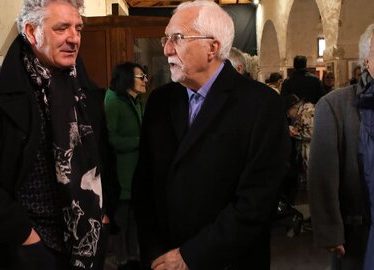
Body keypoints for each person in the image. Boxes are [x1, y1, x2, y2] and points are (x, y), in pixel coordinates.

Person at [0, 1, 119, 269]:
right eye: (61, 28)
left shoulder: (87, 94)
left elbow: (104, 159)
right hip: (19, 250)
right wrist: (25, 237)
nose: (73, 38)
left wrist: (104, 214)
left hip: (85, 244)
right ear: (31, 32)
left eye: (78, 28)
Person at [131, 1, 289, 269]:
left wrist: (190, 256)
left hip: (229, 260)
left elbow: (257, 200)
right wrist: (155, 252)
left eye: (177, 38)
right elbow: (144, 184)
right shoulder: (159, 101)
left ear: (212, 47)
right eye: (166, 39)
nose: (167, 49)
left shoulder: (261, 105)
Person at [309, 23, 374, 269]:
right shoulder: (335, 106)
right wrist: (329, 231)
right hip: (360, 232)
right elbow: (322, 174)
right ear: (366, 60)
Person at [104, 62, 147, 270]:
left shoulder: (135, 100)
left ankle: (133, 259)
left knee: (134, 221)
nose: (145, 80)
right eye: (141, 76)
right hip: (121, 175)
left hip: (135, 174)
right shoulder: (113, 101)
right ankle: (122, 262)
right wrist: (140, 141)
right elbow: (109, 139)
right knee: (121, 222)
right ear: (128, 79)